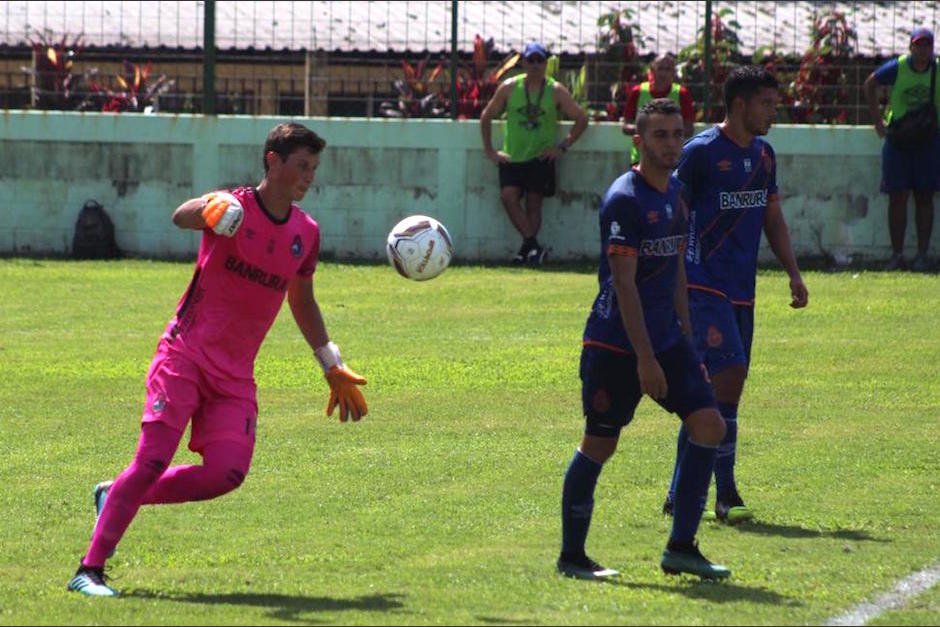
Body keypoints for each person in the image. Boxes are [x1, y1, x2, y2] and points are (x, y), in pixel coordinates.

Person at [66, 122, 369, 597]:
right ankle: (89, 569)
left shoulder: (305, 233)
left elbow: (302, 300)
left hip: (234, 376)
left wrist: (329, 362)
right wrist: (209, 208)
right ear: (273, 160)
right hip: (184, 356)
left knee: (227, 473)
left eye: (314, 167)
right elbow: (180, 216)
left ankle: (115, 495)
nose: (310, 176)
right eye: (302, 165)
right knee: (151, 461)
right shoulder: (233, 207)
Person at [558, 98, 730, 581]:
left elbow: (675, 266)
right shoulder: (624, 200)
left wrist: (688, 343)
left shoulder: (676, 194)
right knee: (599, 445)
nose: (671, 143)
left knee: (709, 425)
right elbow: (625, 283)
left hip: (667, 341)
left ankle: (681, 547)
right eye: (659, 135)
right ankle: (572, 557)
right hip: (617, 344)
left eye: (677, 134)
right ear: (638, 140)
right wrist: (646, 359)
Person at [663, 66, 808, 524]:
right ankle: (725, 495)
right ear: (741, 103)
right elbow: (671, 212)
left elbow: (773, 220)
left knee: (714, 394)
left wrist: (793, 272)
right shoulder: (701, 153)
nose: (773, 112)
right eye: (766, 103)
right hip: (702, 283)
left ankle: (678, 493)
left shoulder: (764, 156)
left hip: (742, 291)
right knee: (731, 374)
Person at [480, 42, 588, 266]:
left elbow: (581, 118)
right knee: (508, 197)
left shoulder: (555, 90)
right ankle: (533, 246)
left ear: (546, 63)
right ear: (524, 62)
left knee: (533, 204)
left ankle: (527, 250)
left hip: (540, 157)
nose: (536, 65)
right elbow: (486, 115)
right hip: (512, 156)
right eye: (531, 60)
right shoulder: (510, 87)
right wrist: (490, 150)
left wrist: (562, 146)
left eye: (540, 60)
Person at [863, 27, 939, 272]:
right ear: (911, 47)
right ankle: (897, 255)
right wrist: (877, 121)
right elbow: (870, 84)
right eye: (918, 45)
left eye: (927, 45)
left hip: (928, 140)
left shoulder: (937, 71)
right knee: (897, 197)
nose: (922, 50)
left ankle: (922, 255)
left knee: (925, 197)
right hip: (899, 139)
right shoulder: (898, 67)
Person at [622, 53, 695, 165]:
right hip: (641, 161)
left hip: (671, 161)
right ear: (652, 70)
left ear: (673, 73)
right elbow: (625, 126)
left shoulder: (682, 94)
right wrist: (649, 131)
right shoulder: (638, 91)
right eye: (660, 68)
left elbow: (689, 129)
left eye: (668, 69)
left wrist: (666, 133)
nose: (663, 74)